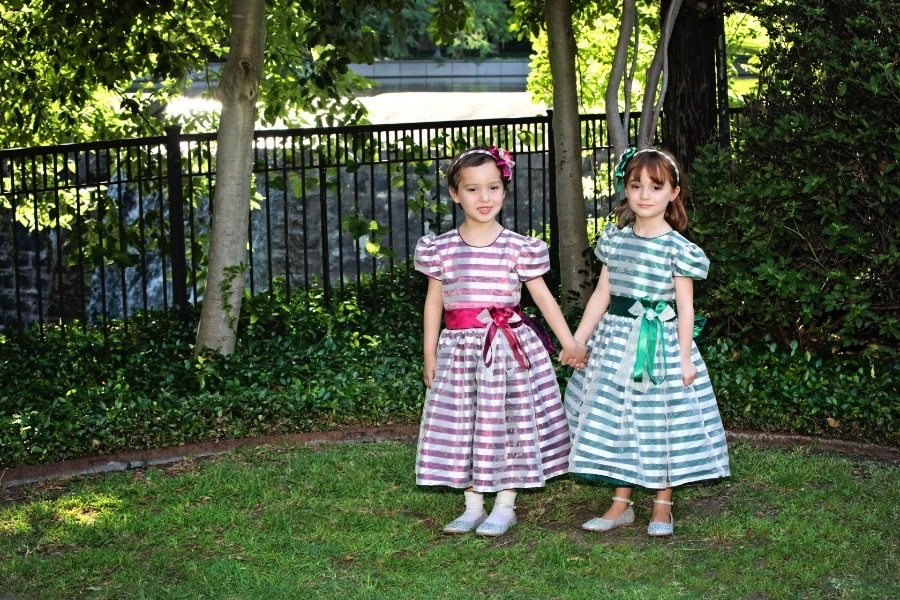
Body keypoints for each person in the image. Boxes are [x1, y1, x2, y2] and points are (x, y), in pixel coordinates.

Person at [414, 145, 588, 537]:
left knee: (506, 422)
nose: (484, 198)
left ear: (504, 190)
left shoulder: (517, 246)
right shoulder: (439, 248)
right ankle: (473, 503)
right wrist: (429, 355)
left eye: (493, 187)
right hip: (460, 353)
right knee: (466, 422)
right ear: (455, 194)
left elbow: (542, 297)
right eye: (472, 189)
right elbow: (433, 303)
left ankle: (505, 503)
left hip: (508, 352)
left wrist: (569, 343)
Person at [564, 147, 730, 537]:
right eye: (635, 185)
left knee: (660, 422)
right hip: (614, 344)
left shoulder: (678, 249)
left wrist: (686, 358)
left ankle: (662, 503)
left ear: (673, 193)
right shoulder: (616, 241)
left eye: (656, 187)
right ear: (626, 189)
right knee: (619, 419)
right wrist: (579, 341)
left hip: (660, 348)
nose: (644, 195)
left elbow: (686, 309)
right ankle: (621, 503)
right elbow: (602, 294)